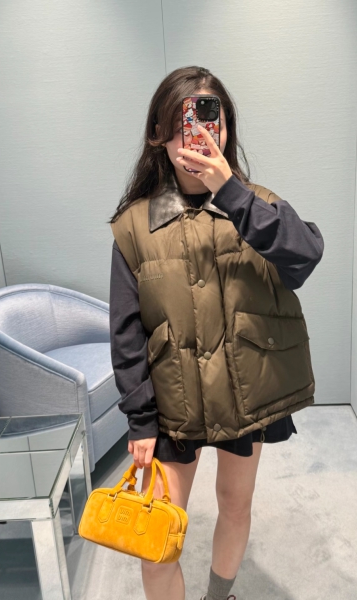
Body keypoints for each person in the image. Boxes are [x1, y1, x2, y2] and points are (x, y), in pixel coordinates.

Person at [108, 65, 324, 600]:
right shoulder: (134, 225)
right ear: (158, 134)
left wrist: (231, 193)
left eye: (212, 118)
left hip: (244, 392)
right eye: (184, 120)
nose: (199, 133)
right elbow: (126, 331)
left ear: (227, 129)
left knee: (235, 504)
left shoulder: (255, 203)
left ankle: (217, 595)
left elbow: (304, 256)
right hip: (173, 403)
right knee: (156, 540)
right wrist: (140, 419)